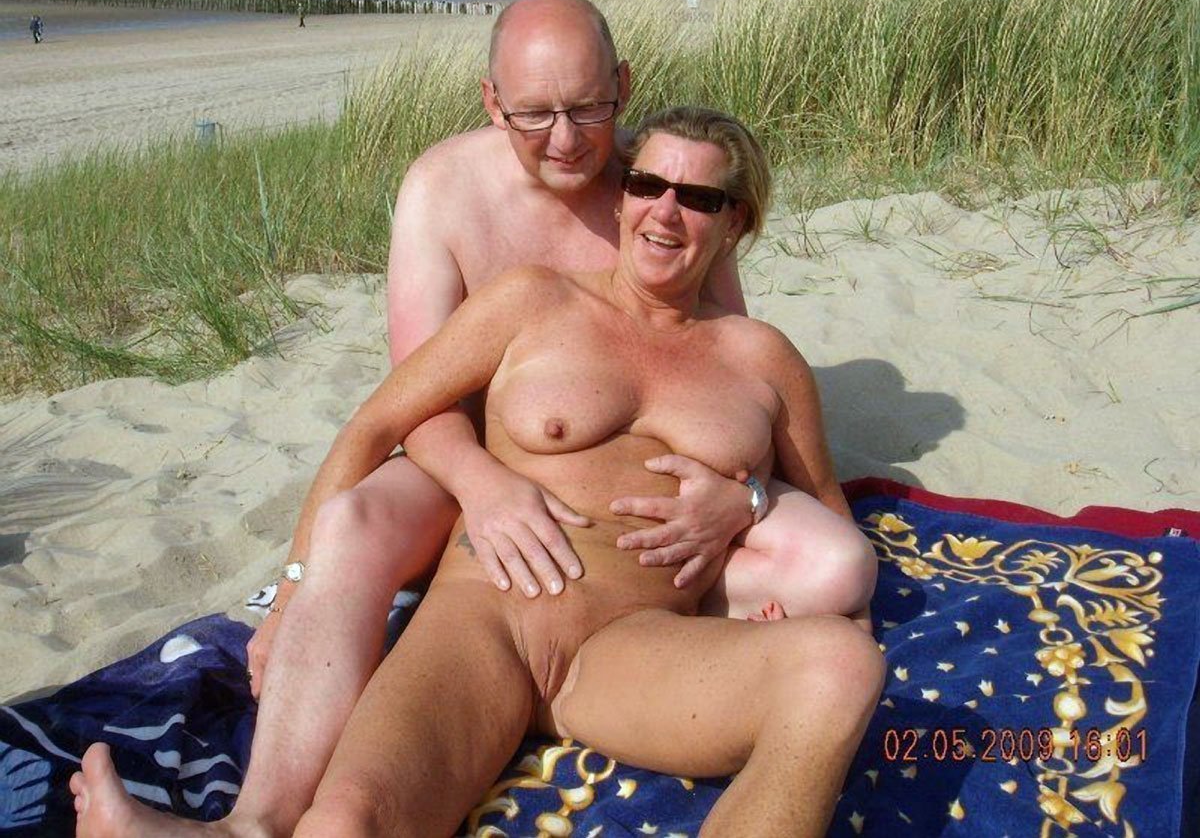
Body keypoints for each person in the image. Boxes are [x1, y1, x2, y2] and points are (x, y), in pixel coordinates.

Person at [71, 106, 885, 837]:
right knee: (347, 822)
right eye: (647, 184)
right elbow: (375, 426)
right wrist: (290, 594)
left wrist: (746, 502)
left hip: (634, 645)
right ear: (622, 196)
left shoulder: (762, 359)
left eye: (697, 197)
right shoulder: (535, 302)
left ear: (736, 220)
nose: (664, 212)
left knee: (843, 666)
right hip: (487, 618)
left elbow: (825, 512)